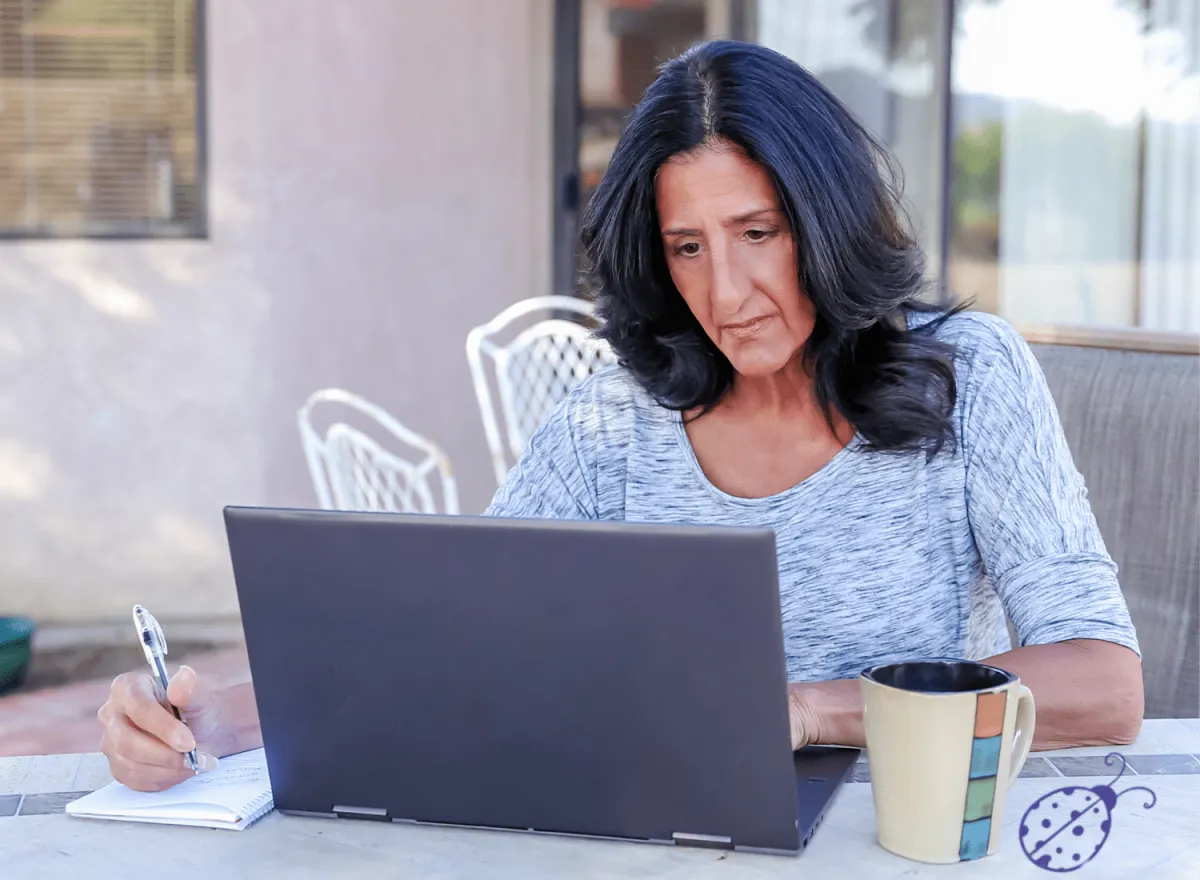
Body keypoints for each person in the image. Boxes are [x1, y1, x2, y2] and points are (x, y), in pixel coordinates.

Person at [97, 40, 1143, 793]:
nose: (726, 290)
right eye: (689, 247)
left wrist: (803, 709)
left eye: (759, 232)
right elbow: (443, 640)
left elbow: (1101, 685)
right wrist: (217, 717)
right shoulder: (612, 422)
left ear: (825, 220)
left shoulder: (969, 376)